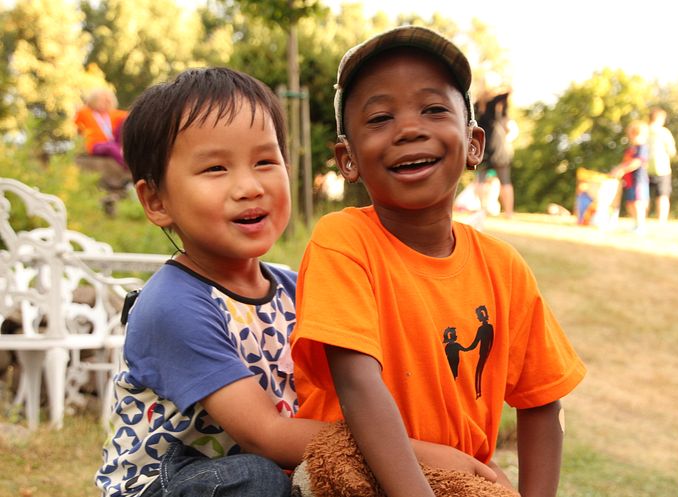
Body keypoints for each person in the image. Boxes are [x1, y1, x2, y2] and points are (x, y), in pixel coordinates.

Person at [95, 67, 495, 497]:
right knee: (257, 476)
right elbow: (265, 434)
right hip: (169, 483)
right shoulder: (173, 305)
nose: (249, 187)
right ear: (156, 200)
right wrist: (427, 454)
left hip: (266, 472)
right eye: (215, 168)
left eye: (265, 161)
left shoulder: (294, 286)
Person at [290, 26, 586, 497]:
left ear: (473, 144)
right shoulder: (343, 241)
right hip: (355, 481)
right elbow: (357, 383)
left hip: (460, 484)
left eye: (433, 109)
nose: (409, 129)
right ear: (348, 161)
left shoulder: (502, 267)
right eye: (380, 117)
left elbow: (544, 400)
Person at [476, 86, 518, 218]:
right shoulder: (494, 104)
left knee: (480, 180)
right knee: (505, 181)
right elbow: (508, 92)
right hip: (498, 147)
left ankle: (482, 209)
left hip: (482, 146)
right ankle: (509, 213)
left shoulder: (476, 107)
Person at [611, 120, 650, 235]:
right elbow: (625, 162)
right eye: (632, 135)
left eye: (637, 135)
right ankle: (635, 224)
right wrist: (617, 169)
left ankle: (641, 225)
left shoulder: (641, 148)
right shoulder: (630, 149)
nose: (634, 138)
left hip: (638, 181)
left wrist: (622, 170)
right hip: (629, 182)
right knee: (630, 203)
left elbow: (636, 162)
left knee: (638, 203)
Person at [74, 88, 129, 169]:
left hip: (113, 142)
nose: (105, 102)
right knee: (111, 148)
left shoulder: (115, 114)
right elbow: (77, 125)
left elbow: (130, 116)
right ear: (94, 100)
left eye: (107, 100)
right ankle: (128, 166)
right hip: (95, 144)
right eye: (102, 100)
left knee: (125, 122)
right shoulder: (85, 112)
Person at [646, 108, 677, 224]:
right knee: (663, 195)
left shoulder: (644, 130)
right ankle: (661, 220)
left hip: (644, 167)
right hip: (662, 168)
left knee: (644, 196)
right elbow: (672, 151)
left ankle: (642, 218)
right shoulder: (664, 132)